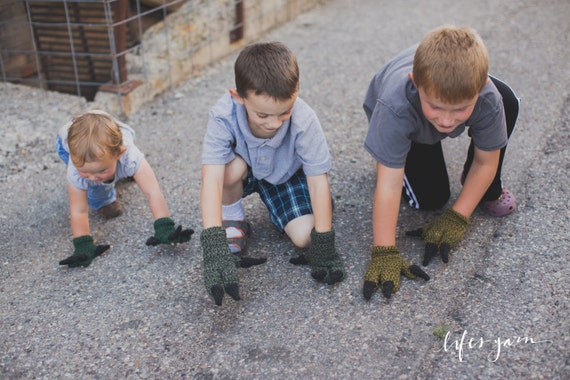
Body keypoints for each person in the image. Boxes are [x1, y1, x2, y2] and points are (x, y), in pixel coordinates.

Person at [362, 25, 519, 301]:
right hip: (407, 123)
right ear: (415, 83)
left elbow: (486, 162)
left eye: (460, 109)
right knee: (431, 199)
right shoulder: (395, 108)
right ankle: (405, 145)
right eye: (436, 107)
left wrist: (458, 216)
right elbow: (388, 184)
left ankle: (482, 187)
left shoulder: (488, 97)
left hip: (452, 92)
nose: (446, 121)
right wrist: (384, 250)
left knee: (507, 102)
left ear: (481, 88)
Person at [200, 41, 346, 306]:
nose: (274, 124)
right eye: (263, 115)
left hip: (285, 174)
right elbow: (211, 178)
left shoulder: (305, 120)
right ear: (238, 96)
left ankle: (315, 211)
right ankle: (234, 220)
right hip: (244, 166)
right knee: (228, 171)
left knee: (304, 238)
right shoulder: (223, 115)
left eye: (284, 113)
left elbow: (317, 178)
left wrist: (323, 241)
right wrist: (214, 247)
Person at [56, 110, 193, 268]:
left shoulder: (130, 155)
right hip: (66, 140)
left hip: (107, 128)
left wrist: (165, 226)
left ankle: (121, 172)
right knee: (96, 189)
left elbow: (152, 192)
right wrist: (83, 244)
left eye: (101, 170)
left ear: (120, 154)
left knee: (132, 170)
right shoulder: (76, 166)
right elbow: (78, 210)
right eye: (85, 171)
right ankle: (103, 199)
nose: (92, 177)